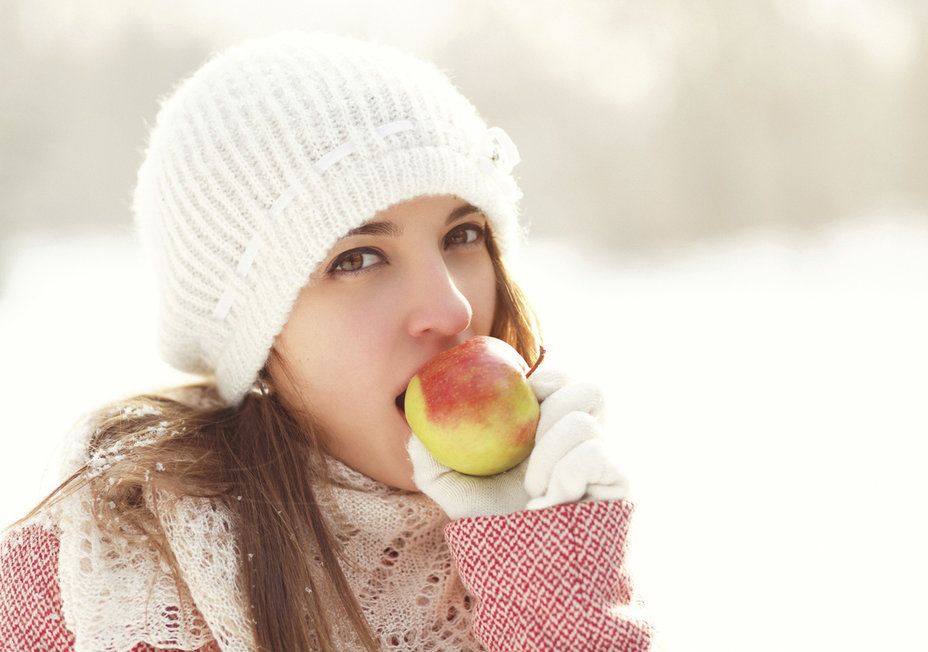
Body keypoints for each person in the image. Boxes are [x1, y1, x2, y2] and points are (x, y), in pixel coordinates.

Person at [0, 31, 656, 651]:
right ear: (254, 336)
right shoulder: (97, 582)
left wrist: (548, 579)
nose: (452, 310)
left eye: (462, 236)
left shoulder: (551, 524)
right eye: (358, 258)